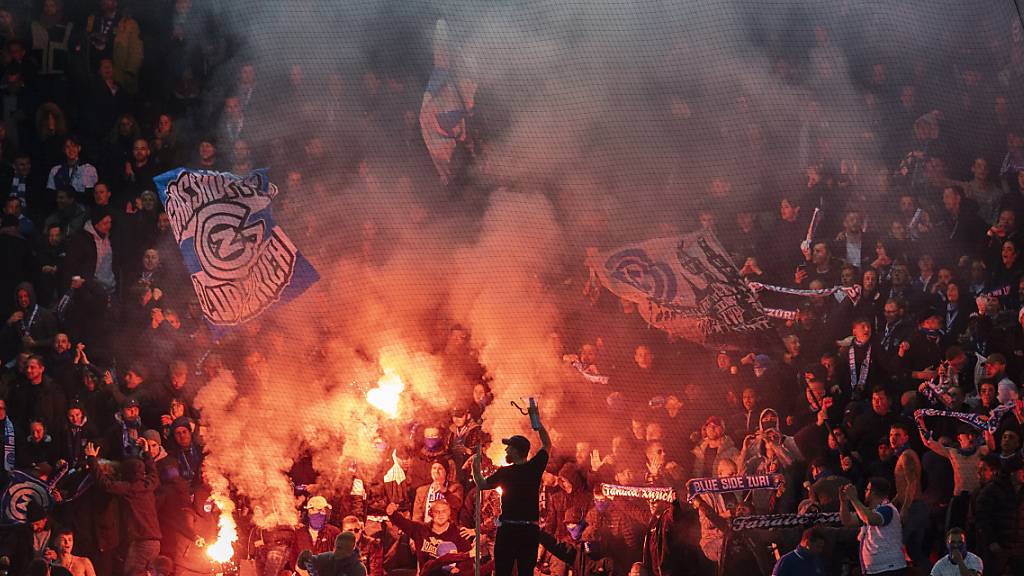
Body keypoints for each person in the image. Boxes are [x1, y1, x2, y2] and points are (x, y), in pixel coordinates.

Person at [473, 408, 553, 576]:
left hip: (508, 531)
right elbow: (547, 444)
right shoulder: (534, 467)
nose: (506, 450)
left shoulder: (505, 472)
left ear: (517, 451)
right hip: (529, 532)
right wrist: (536, 422)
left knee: (503, 572)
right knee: (525, 572)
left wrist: (475, 466)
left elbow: (481, 484)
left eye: (509, 448)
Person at [840, 477, 907, 575]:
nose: (865, 492)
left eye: (867, 489)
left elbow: (871, 519)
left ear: (873, 492)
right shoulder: (868, 512)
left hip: (889, 569)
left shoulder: (887, 509)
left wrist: (854, 498)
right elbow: (847, 521)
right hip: (875, 570)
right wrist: (844, 502)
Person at [296, 532, 367, 576]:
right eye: (340, 547)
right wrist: (305, 557)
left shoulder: (358, 568)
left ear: (353, 547)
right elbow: (304, 562)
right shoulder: (328, 558)